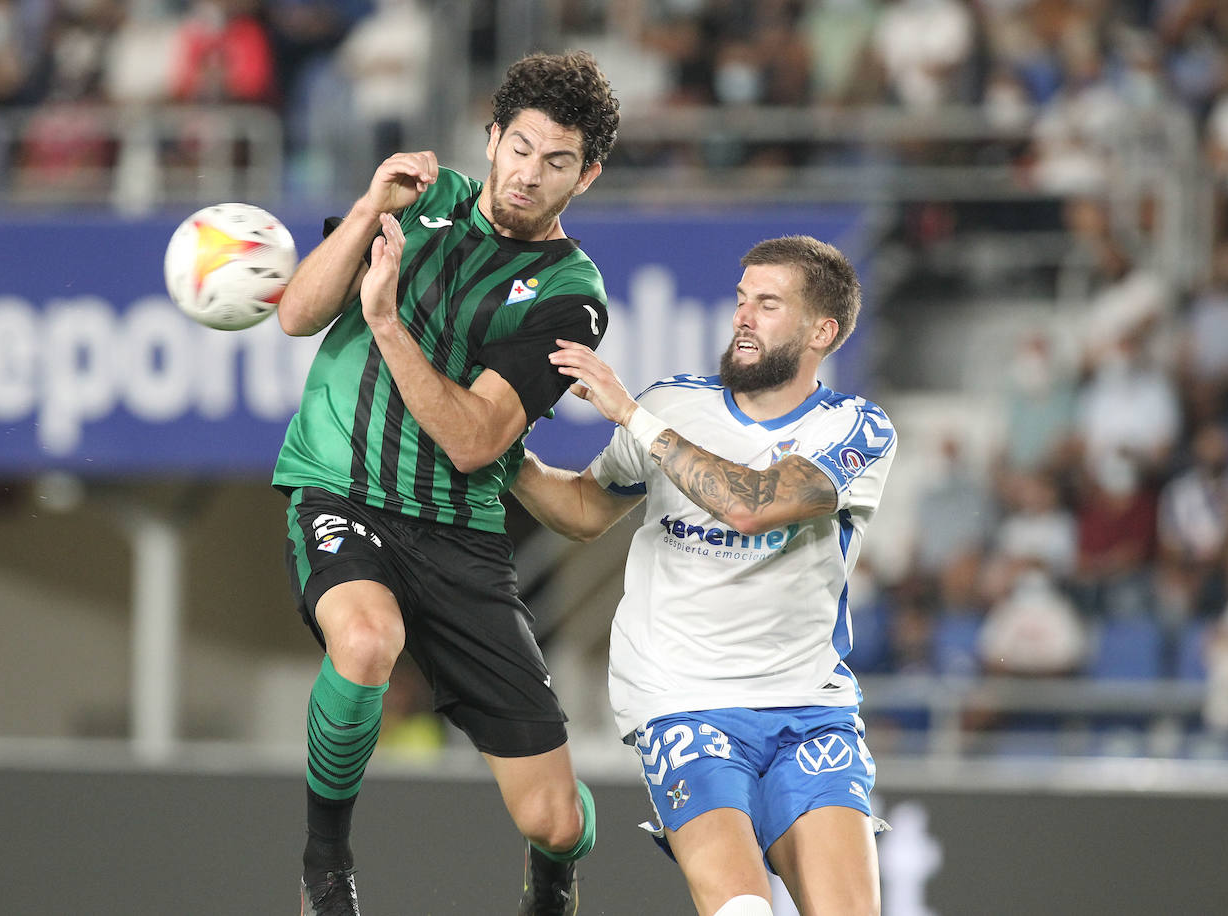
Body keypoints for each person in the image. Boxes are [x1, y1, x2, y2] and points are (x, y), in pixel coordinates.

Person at [272, 50, 620, 916]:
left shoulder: (570, 296)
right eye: (521, 147)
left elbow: (475, 443)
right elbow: (296, 312)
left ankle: (556, 866)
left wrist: (387, 323)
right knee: (363, 645)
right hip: (340, 488)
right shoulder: (419, 199)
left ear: (589, 174)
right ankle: (326, 867)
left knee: (551, 817)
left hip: (459, 532)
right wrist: (363, 211)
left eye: (558, 162)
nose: (529, 175)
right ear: (492, 136)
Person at [511, 236, 895, 916]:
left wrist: (634, 415)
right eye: (743, 300)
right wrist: (496, 453)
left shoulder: (855, 429)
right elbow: (581, 511)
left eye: (768, 304)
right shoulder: (676, 404)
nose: (743, 316)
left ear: (822, 330)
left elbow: (756, 505)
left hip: (810, 710)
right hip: (682, 703)